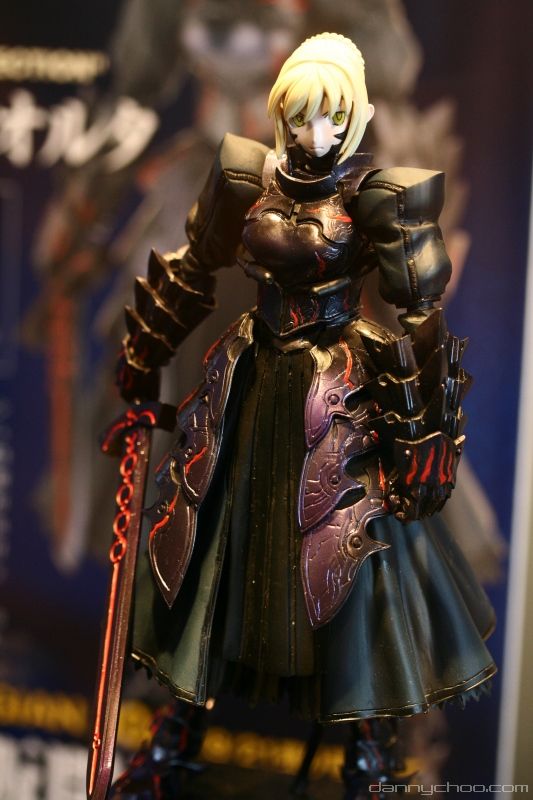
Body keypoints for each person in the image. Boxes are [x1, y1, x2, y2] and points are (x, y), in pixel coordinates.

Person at [112, 33, 495, 799]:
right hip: (249, 384)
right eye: (299, 117)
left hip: (338, 394)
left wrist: (426, 440)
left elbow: (420, 314)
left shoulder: (378, 197)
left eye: (330, 118)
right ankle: (175, 739)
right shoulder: (243, 175)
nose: (312, 134)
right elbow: (193, 265)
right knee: (211, 558)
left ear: (356, 118)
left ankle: (370, 762)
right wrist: (143, 355)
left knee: (352, 564)